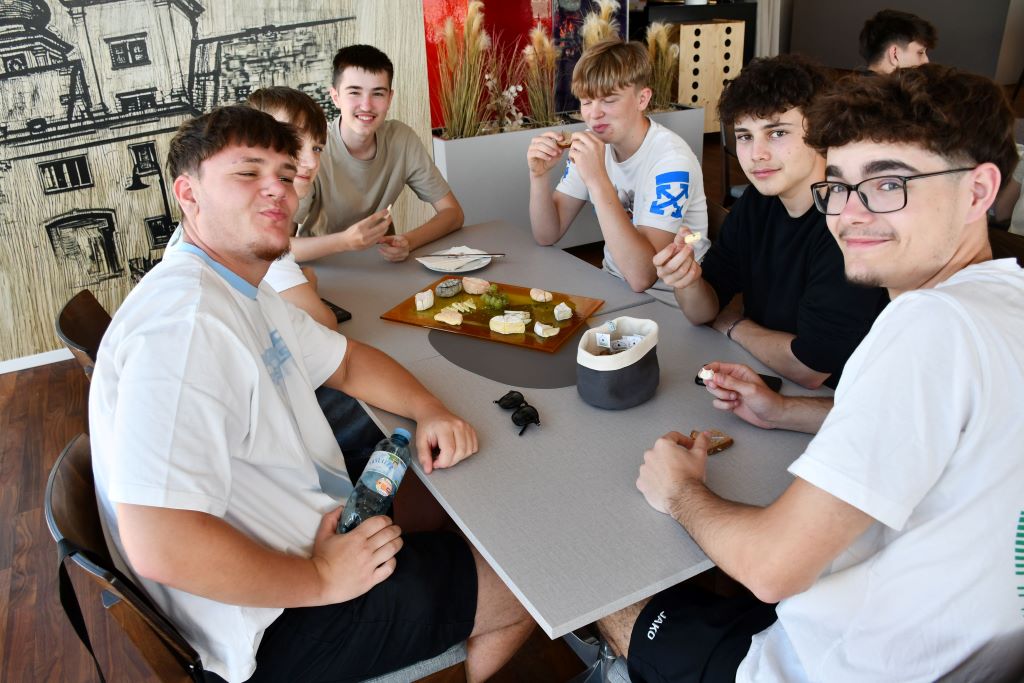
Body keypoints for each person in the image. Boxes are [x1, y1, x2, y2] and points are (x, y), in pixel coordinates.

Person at [599, 64, 1024, 683]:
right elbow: (941, 434)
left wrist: (680, 491)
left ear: (979, 191)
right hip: (956, 652)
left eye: (887, 184)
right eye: (840, 187)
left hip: (829, 664)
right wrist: (786, 411)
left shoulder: (929, 324)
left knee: (607, 592)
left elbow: (772, 568)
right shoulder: (1004, 296)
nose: (850, 214)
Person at [89, 106, 534, 683]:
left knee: (446, 506)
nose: (278, 189)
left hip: (302, 544)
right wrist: (323, 579)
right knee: (528, 580)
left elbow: (346, 361)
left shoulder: (234, 288)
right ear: (188, 193)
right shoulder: (187, 324)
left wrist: (430, 409)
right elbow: (160, 543)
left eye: (285, 173)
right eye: (248, 173)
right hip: (270, 621)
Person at [653, 55, 887, 389]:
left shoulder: (849, 222)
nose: (756, 154)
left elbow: (811, 368)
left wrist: (734, 325)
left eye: (777, 133)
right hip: (766, 377)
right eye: (744, 136)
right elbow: (704, 311)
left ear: (820, 132)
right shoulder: (756, 203)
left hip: (838, 402)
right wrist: (687, 280)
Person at [527, 38, 708, 295]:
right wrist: (538, 176)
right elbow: (547, 234)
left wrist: (597, 179)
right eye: (586, 101)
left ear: (642, 99)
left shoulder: (672, 162)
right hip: (612, 283)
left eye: (609, 100)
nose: (594, 114)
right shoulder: (592, 145)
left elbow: (642, 277)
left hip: (668, 299)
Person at [291, 44, 464, 264]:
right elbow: (280, 247)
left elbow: (453, 213)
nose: (366, 105)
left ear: (389, 98)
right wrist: (345, 241)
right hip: (322, 266)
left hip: (382, 263)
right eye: (354, 92)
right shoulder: (313, 149)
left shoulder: (402, 139)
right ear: (335, 96)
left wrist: (409, 241)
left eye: (378, 93)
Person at [859, 9, 937, 75]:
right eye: (920, 52)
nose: (926, 61)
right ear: (894, 55)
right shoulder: (904, 89)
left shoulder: (856, 87)